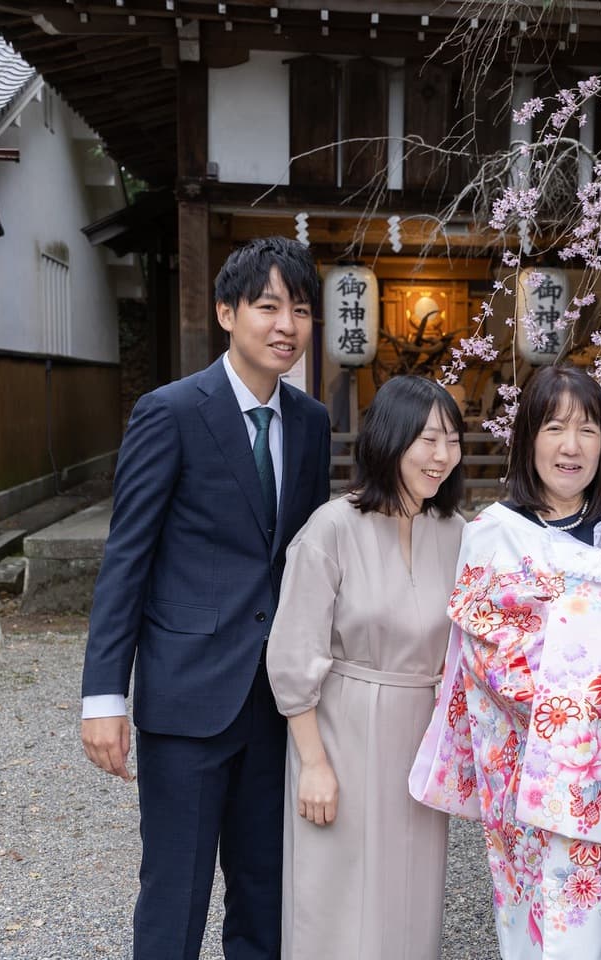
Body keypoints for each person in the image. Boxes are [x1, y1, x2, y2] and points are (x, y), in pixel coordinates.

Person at [79, 237, 330, 960]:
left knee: (266, 890)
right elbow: (128, 557)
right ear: (227, 312)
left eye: (302, 310)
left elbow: (304, 561)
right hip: (187, 696)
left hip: (275, 699)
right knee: (175, 891)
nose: (286, 325)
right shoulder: (171, 411)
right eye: (268, 306)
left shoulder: (310, 423)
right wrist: (104, 697)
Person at [411, 365, 601, 960]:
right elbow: (490, 648)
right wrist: (577, 695)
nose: (571, 446)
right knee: (532, 919)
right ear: (527, 440)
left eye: (588, 430)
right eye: (555, 428)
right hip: (528, 761)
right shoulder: (496, 532)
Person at [264, 376, 467, 960]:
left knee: (409, 895)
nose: (442, 456)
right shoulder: (332, 527)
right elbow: (293, 653)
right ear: (390, 440)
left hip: (422, 739)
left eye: (451, 440)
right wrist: (314, 764)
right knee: (337, 897)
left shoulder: (456, 532)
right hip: (342, 731)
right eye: (428, 439)